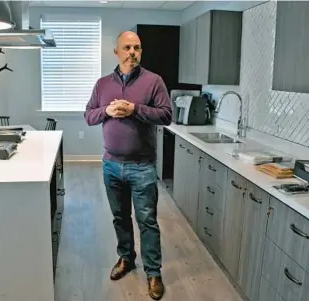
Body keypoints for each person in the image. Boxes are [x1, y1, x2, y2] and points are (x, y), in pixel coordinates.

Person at [84, 31, 172, 300]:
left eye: (137, 47)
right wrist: (107, 112)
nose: (132, 52)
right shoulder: (102, 84)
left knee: (147, 221)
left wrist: (134, 109)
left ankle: (153, 271)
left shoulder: (153, 81)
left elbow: (166, 116)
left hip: (142, 167)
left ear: (141, 52)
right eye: (127, 47)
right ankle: (126, 258)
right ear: (117, 52)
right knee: (119, 217)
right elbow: (88, 115)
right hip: (111, 165)